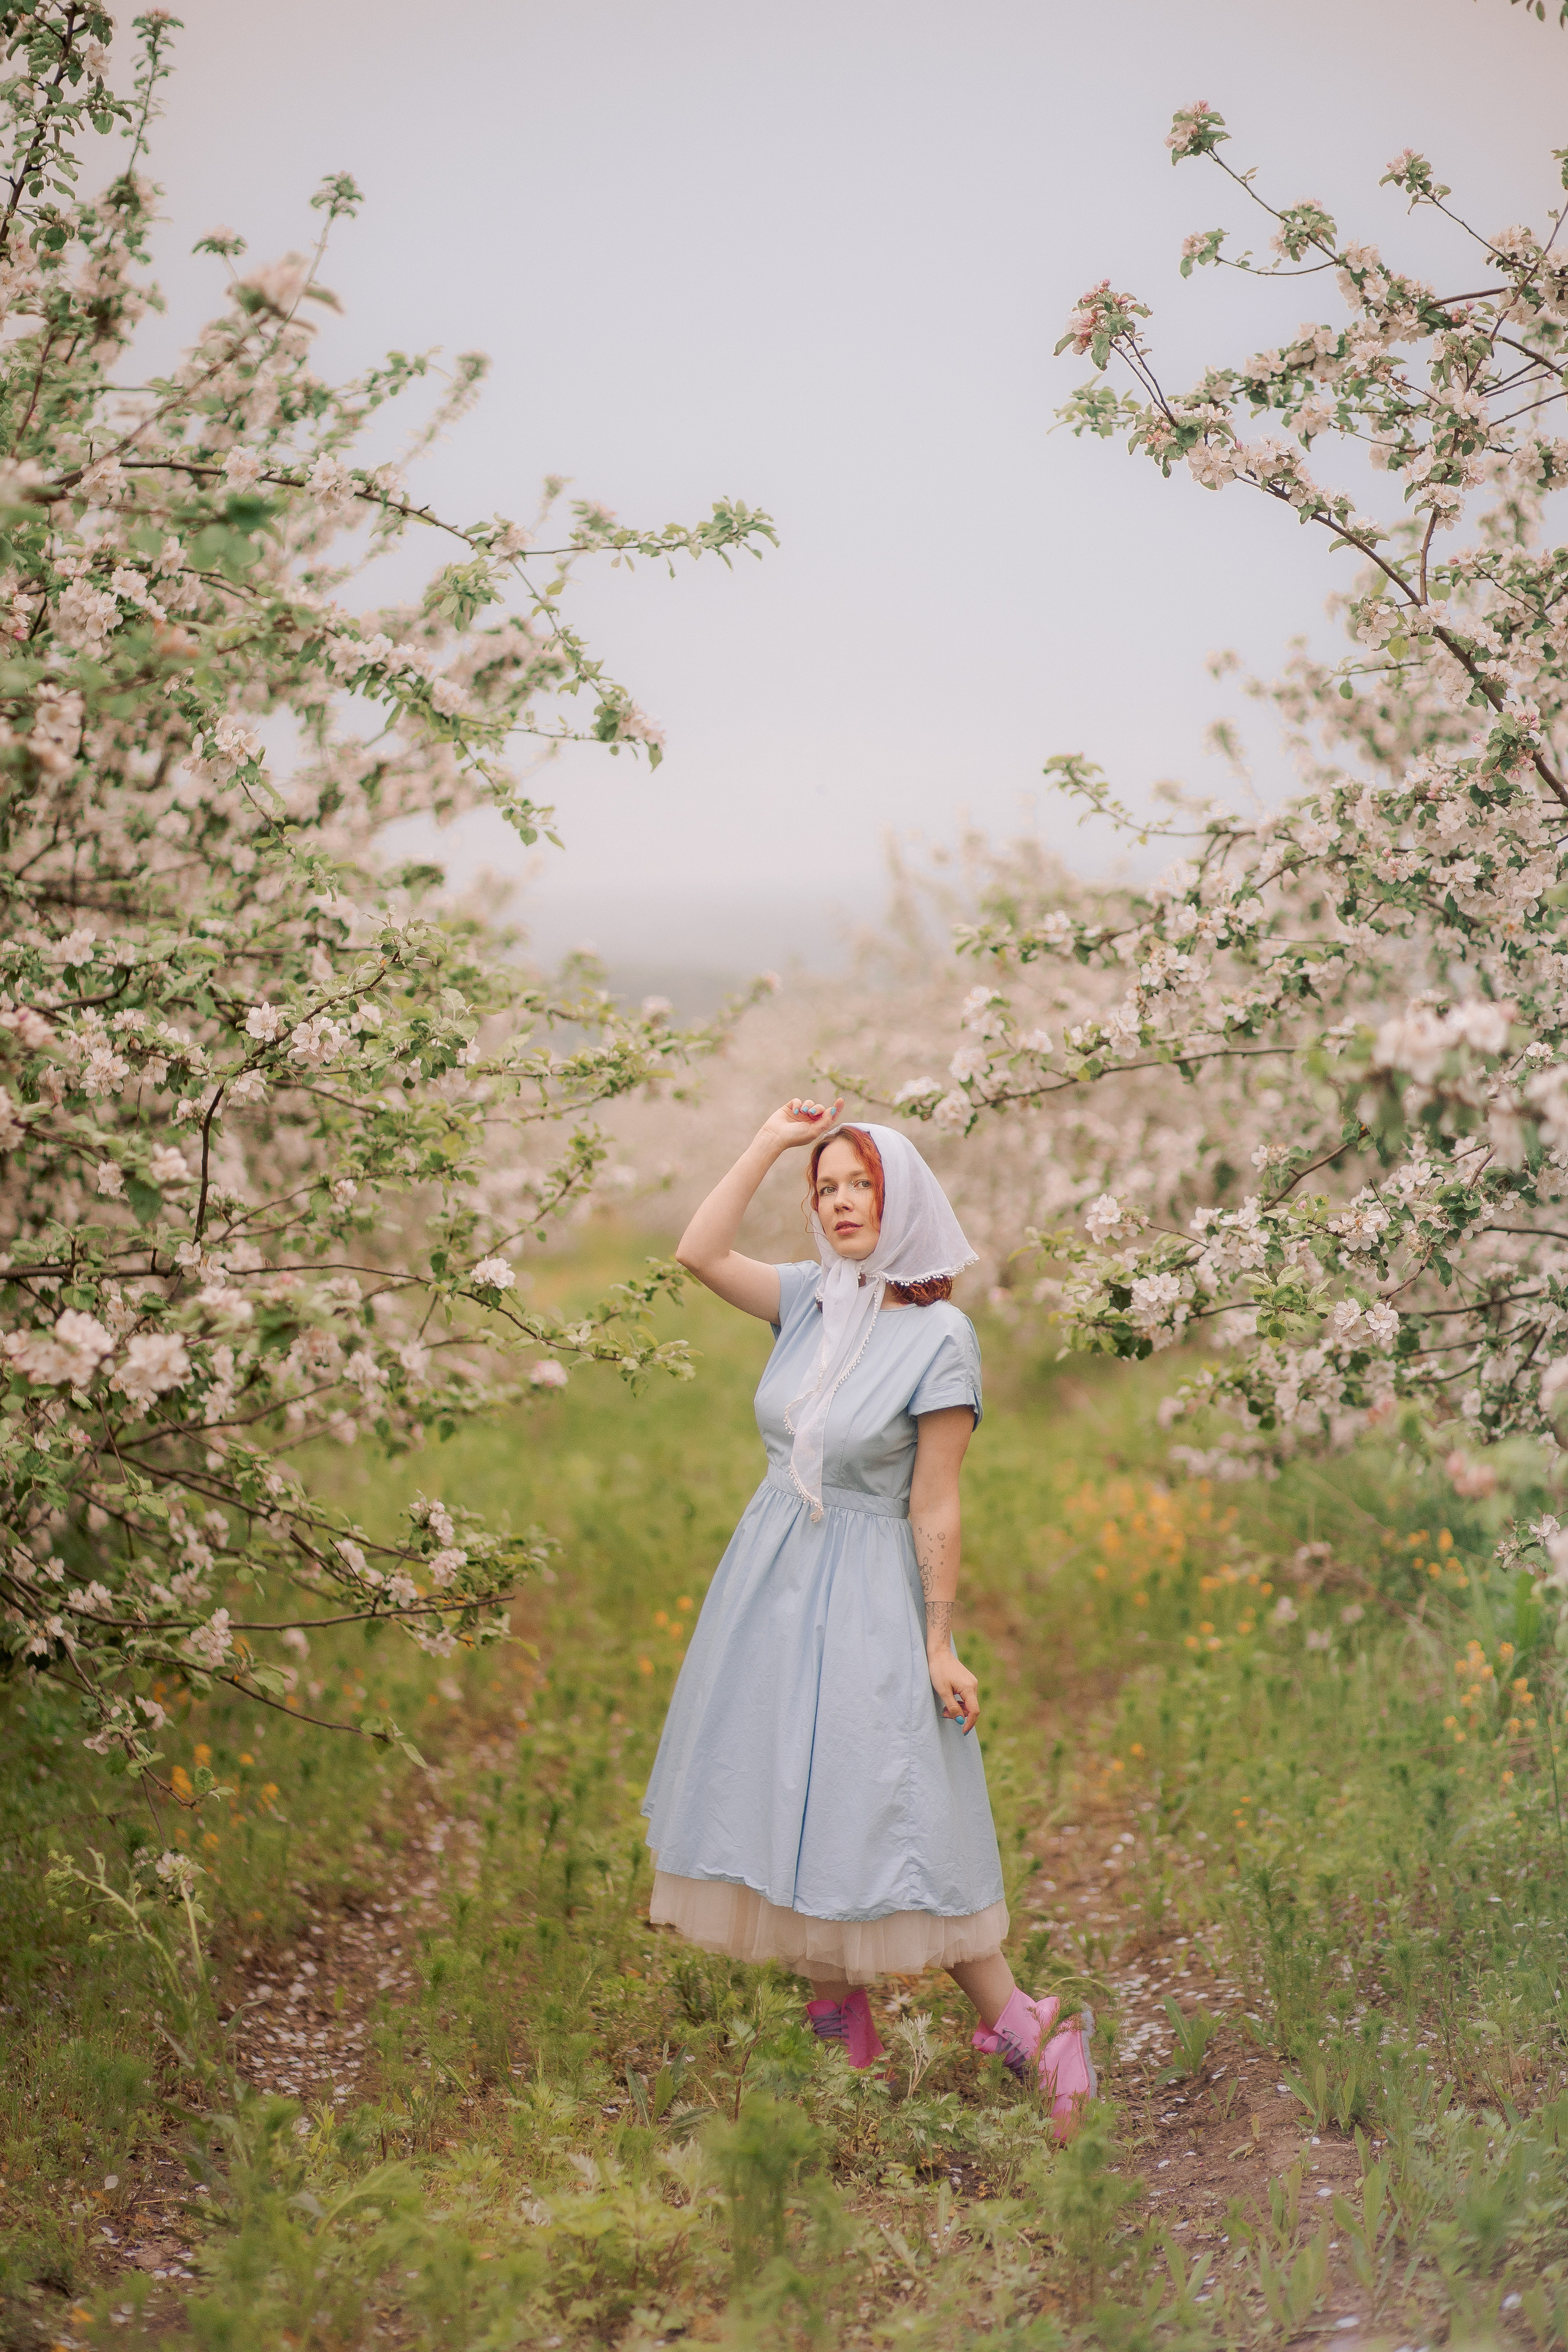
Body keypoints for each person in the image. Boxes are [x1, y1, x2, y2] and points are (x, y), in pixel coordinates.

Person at [639, 1097, 1095, 2134]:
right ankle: (837, 2023)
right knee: (782, 1788)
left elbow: (935, 1499)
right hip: (770, 1581)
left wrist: (940, 1639)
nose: (842, 1203)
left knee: (893, 1805)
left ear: (905, 1205)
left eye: (863, 1187)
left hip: (865, 1591)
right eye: (829, 1188)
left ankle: (1031, 2029)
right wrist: (767, 1143)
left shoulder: (941, 1337)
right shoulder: (805, 1298)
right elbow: (698, 1250)